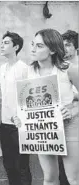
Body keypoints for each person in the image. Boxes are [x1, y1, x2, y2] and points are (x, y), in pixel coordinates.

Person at [26, 28, 79, 185]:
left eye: (39, 46)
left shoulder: (68, 69)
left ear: (53, 49)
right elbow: (24, 103)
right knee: (49, 178)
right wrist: (19, 116)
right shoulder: (29, 71)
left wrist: (73, 110)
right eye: (32, 44)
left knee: (73, 179)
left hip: (69, 126)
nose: (33, 49)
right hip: (44, 129)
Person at [0, 31, 32, 185]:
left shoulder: (24, 68)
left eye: (6, 43)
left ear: (16, 47)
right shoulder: (2, 68)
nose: (2, 45)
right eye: (2, 42)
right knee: (9, 165)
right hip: (4, 124)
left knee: (22, 166)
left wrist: (23, 119)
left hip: (20, 125)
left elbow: (29, 97)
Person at [58, 29, 78, 185]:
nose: (64, 48)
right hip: (63, 125)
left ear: (76, 47)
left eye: (68, 45)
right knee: (63, 171)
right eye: (62, 45)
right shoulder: (60, 69)